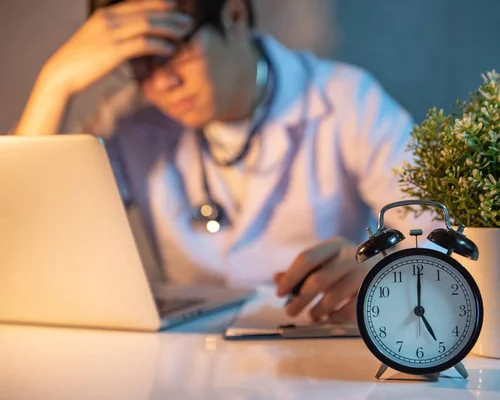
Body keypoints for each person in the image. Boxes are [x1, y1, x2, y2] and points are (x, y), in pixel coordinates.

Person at [13, 0, 432, 323]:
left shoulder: (346, 100)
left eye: (172, 49)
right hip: (184, 365)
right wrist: (55, 82)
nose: (162, 82)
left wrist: (384, 266)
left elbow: (440, 235)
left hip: (315, 351)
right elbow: (21, 244)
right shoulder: (127, 119)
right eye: (138, 64)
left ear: (232, 14)